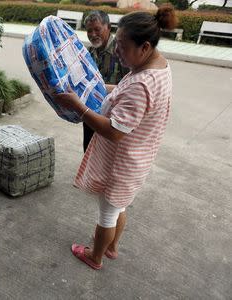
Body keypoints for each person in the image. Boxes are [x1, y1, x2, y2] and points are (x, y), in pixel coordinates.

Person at [54, 5, 177, 270]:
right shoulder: (157, 66)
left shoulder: (142, 84)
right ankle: (111, 247)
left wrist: (79, 106)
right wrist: (95, 88)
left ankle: (94, 256)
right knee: (119, 207)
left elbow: (114, 131)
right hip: (137, 158)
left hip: (122, 162)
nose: (117, 51)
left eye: (122, 46)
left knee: (108, 213)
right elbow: (123, 89)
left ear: (144, 47)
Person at [83, 10, 129, 152]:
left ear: (108, 27)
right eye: (89, 31)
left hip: (114, 119)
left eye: (97, 29)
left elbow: (130, 87)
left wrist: (101, 88)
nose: (93, 34)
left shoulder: (123, 51)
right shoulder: (88, 52)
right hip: (91, 114)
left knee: (108, 154)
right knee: (89, 149)